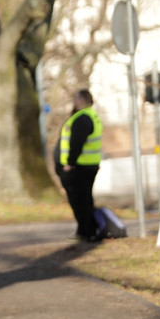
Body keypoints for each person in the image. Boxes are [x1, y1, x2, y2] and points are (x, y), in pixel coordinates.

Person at [56, 88, 103, 242]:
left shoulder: (82, 118)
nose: (74, 102)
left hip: (80, 167)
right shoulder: (92, 116)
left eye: (76, 99)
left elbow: (76, 143)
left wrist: (69, 163)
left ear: (81, 100)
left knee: (80, 200)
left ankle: (86, 231)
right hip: (89, 165)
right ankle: (87, 230)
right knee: (86, 199)